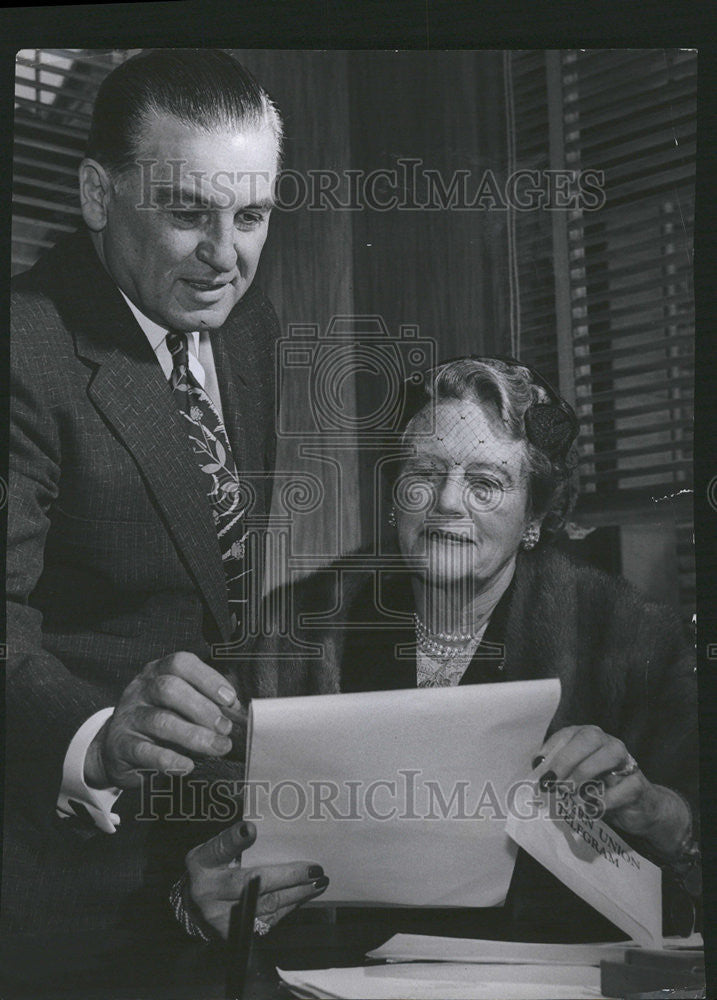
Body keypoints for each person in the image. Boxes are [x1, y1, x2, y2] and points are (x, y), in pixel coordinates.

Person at [4, 49, 326, 996]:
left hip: (208, 886)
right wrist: (95, 736)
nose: (225, 255)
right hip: (51, 896)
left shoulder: (247, 327)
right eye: (188, 212)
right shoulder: (21, 351)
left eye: (252, 215)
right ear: (100, 195)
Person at [184, 356, 700, 946]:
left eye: (485, 483)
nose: (448, 503)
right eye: (425, 474)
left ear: (534, 515)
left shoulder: (628, 638)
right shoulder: (293, 632)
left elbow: (690, 859)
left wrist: (658, 812)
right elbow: (198, 839)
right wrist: (198, 899)